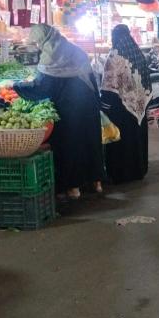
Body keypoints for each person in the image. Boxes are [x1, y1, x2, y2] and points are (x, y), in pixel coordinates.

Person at [14, 24, 103, 200]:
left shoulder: (51, 56)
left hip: (69, 108)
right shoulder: (75, 50)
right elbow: (92, 79)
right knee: (90, 141)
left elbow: (42, 88)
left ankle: (73, 187)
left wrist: (18, 86)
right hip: (88, 103)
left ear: (43, 40)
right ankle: (96, 181)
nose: (38, 46)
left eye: (37, 42)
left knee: (70, 144)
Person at [100, 25, 151, 184]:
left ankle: (122, 174)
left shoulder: (115, 55)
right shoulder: (137, 53)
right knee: (137, 138)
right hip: (139, 104)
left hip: (121, 107)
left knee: (122, 140)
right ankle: (139, 169)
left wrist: (104, 105)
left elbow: (109, 85)